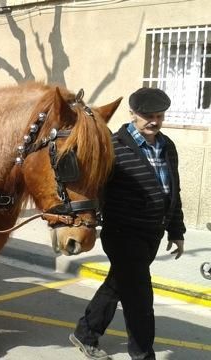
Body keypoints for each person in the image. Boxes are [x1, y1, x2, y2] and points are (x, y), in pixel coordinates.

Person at [69, 87, 186, 360]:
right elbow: (94, 188)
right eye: (148, 116)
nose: (154, 121)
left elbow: (173, 191)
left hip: (152, 233)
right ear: (132, 114)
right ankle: (143, 354)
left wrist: (176, 230)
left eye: (159, 115)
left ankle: (86, 332)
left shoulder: (167, 146)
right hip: (122, 233)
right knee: (140, 297)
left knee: (118, 284)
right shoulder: (114, 146)